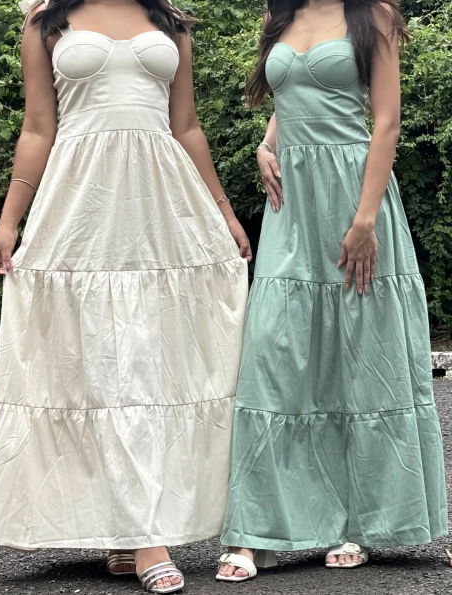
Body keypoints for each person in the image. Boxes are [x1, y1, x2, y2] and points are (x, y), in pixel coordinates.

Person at [0, 1, 251, 592]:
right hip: (81, 202)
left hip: (163, 204)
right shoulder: (45, 21)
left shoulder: (170, 20)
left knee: (153, 362)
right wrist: (9, 222)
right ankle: (142, 534)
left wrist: (225, 212)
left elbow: (186, 126)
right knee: (100, 363)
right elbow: (38, 128)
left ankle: (132, 532)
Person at [217, 0, 448, 582]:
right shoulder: (280, 14)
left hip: (354, 194)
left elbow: (386, 121)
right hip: (292, 206)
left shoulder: (374, 15)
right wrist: (267, 143)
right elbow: (289, 94)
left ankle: (363, 522)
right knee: (274, 355)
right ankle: (258, 530)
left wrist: (366, 220)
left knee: (363, 360)